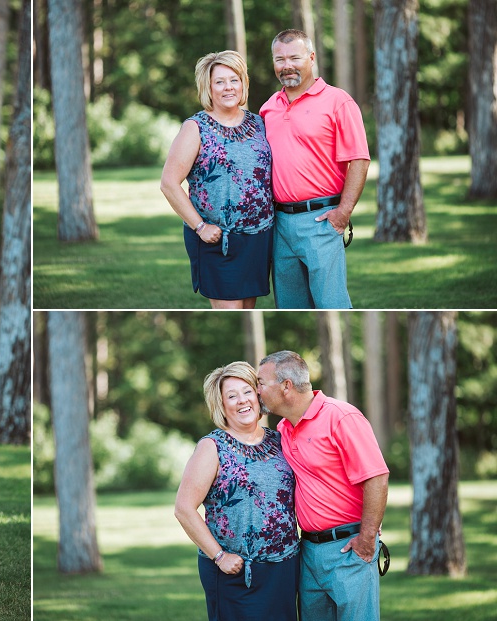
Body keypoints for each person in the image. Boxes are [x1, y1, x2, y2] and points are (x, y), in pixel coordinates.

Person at [257, 350, 389, 621]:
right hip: (308, 553)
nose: (256, 390)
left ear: (286, 386)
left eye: (260, 382)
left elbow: (377, 477)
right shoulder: (283, 429)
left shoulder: (341, 417)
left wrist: (367, 539)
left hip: (349, 549)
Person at [174, 361, 299, 621]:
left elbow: (316, 481)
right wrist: (219, 557)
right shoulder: (212, 447)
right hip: (235, 571)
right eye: (231, 396)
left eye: (247, 391)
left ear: (258, 395)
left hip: (284, 569)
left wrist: (359, 516)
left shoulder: (281, 440)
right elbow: (184, 509)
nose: (242, 400)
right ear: (221, 405)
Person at [259, 29, 370, 309]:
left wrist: (343, 212)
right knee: (288, 304)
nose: (287, 66)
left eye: (294, 57)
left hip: (321, 219)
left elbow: (359, 159)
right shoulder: (268, 108)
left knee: (331, 303)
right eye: (279, 59)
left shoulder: (338, 101)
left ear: (311, 58)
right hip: (280, 224)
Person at [161, 51, 274, 309]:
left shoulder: (259, 124)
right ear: (208, 87)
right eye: (220, 81)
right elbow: (168, 183)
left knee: (246, 308)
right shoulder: (196, 127)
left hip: (258, 239)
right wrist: (200, 227)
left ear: (243, 83)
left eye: (234, 80)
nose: (228, 88)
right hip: (217, 239)